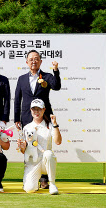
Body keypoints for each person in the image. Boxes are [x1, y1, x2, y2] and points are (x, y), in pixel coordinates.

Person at [14, 50, 61, 188]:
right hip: (27, 115)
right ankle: (30, 170)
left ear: (40, 61)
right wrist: (17, 117)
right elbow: (17, 99)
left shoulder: (47, 76)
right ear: (27, 62)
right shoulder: (21, 78)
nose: (33, 61)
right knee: (28, 144)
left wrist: (56, 70)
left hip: (44, 114)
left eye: (36, 59)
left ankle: (45, 178)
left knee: (45, 143)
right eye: (31, 59)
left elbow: (57, 86)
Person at [17, 99, 62, 195]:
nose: (36, 112)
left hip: (45, 161)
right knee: (29, 189)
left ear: (44, 110)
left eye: (39, 109)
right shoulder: (26, 127)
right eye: (34, 109)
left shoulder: (50, 125)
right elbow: (23, 151)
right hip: (32, 163)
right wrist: (22, 146)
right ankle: (34, 183)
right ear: (30, 110)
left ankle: (52, 184)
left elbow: (58, 142)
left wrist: (55, 124)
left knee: (48, 153)